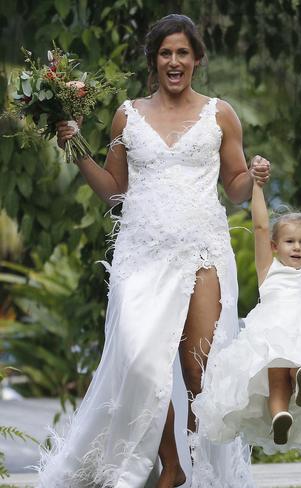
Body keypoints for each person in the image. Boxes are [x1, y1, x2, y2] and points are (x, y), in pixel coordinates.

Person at [42, 14, 267, 488]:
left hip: (202, 250)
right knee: (143, 362)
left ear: (197, 60)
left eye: (183, 52)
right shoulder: (128, 114)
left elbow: (236, 186)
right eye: (165, 53)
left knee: (197, 368)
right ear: (154, 60)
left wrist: (256, 177)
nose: (174, 61)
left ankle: (197, 465)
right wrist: (77, 148)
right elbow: (113, 189)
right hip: (140, 253)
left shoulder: (220, 113)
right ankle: (171, 464)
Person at [192, 157, 301, 460]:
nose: (297, 247)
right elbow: (261, 226)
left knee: (287, 367)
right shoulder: (269, 269)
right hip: (273, 333)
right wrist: (258, 187)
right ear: (275, 247)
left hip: (300, 330)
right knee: (276, 379)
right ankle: (280, 417)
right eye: (290, 241)